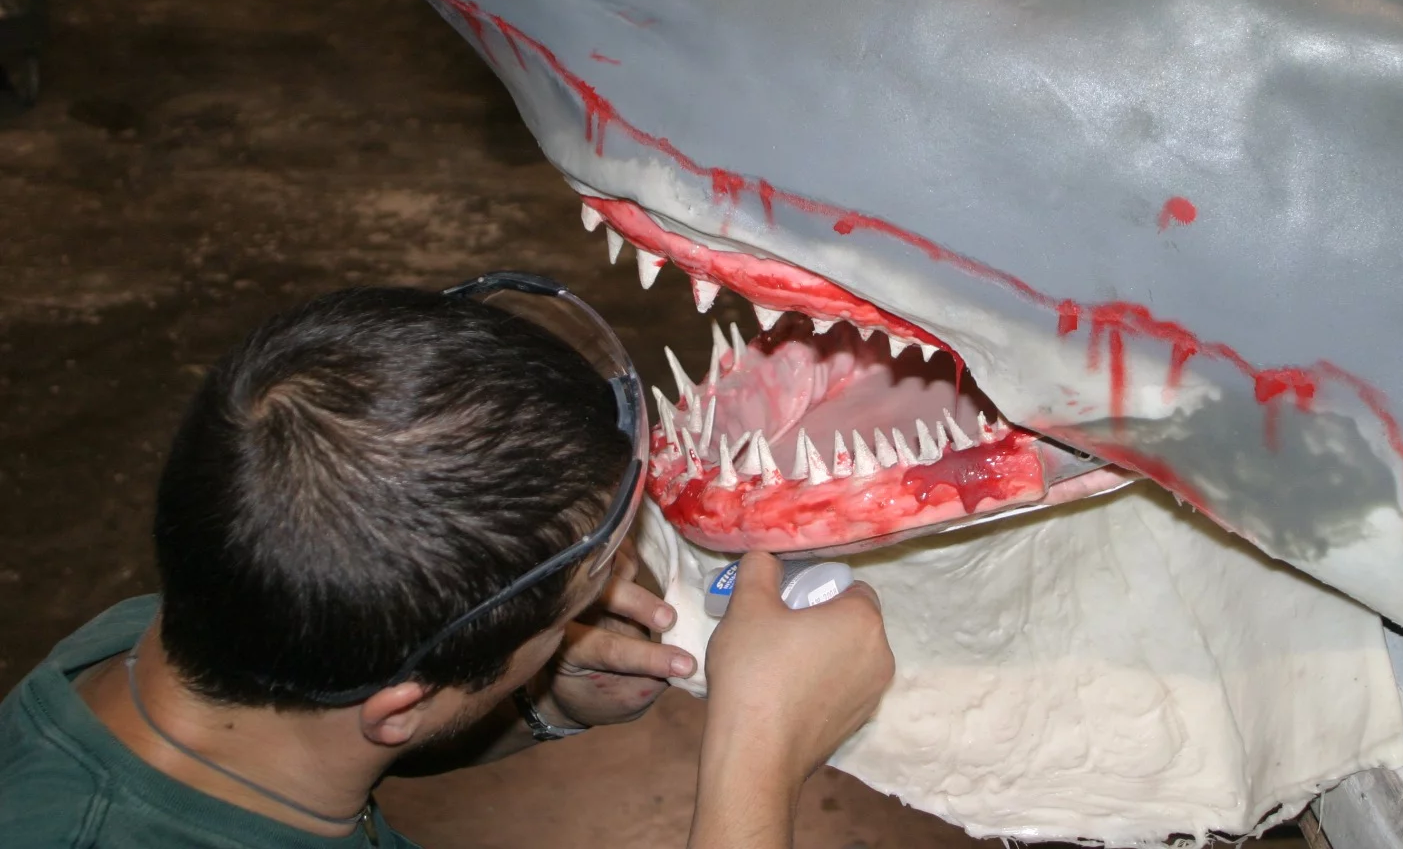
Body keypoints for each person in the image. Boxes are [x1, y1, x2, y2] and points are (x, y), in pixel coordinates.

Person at [0, 275, 895, 848]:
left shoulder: (157, 647)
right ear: (405, 701)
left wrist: (535, 702)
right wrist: (759, 753)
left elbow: (332, 744)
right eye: (563, 615)